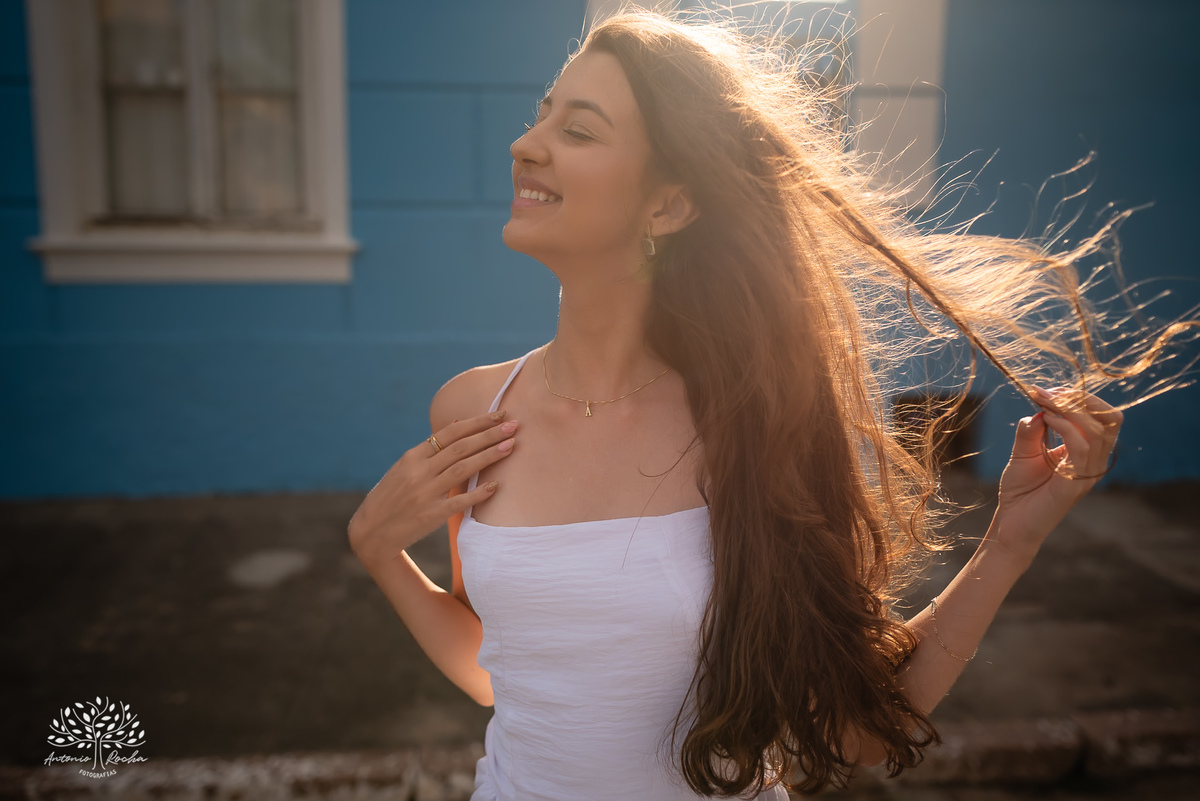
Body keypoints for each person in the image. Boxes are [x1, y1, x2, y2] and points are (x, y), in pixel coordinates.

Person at [347, 6, 1193, 799]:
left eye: (578, 130)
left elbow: (856, 727)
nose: (524, 145)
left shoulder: (756, 420)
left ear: (668, 204)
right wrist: (380, 550)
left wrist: (1010, 540)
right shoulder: (474, 411)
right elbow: (498, 669)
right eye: (541, 116)